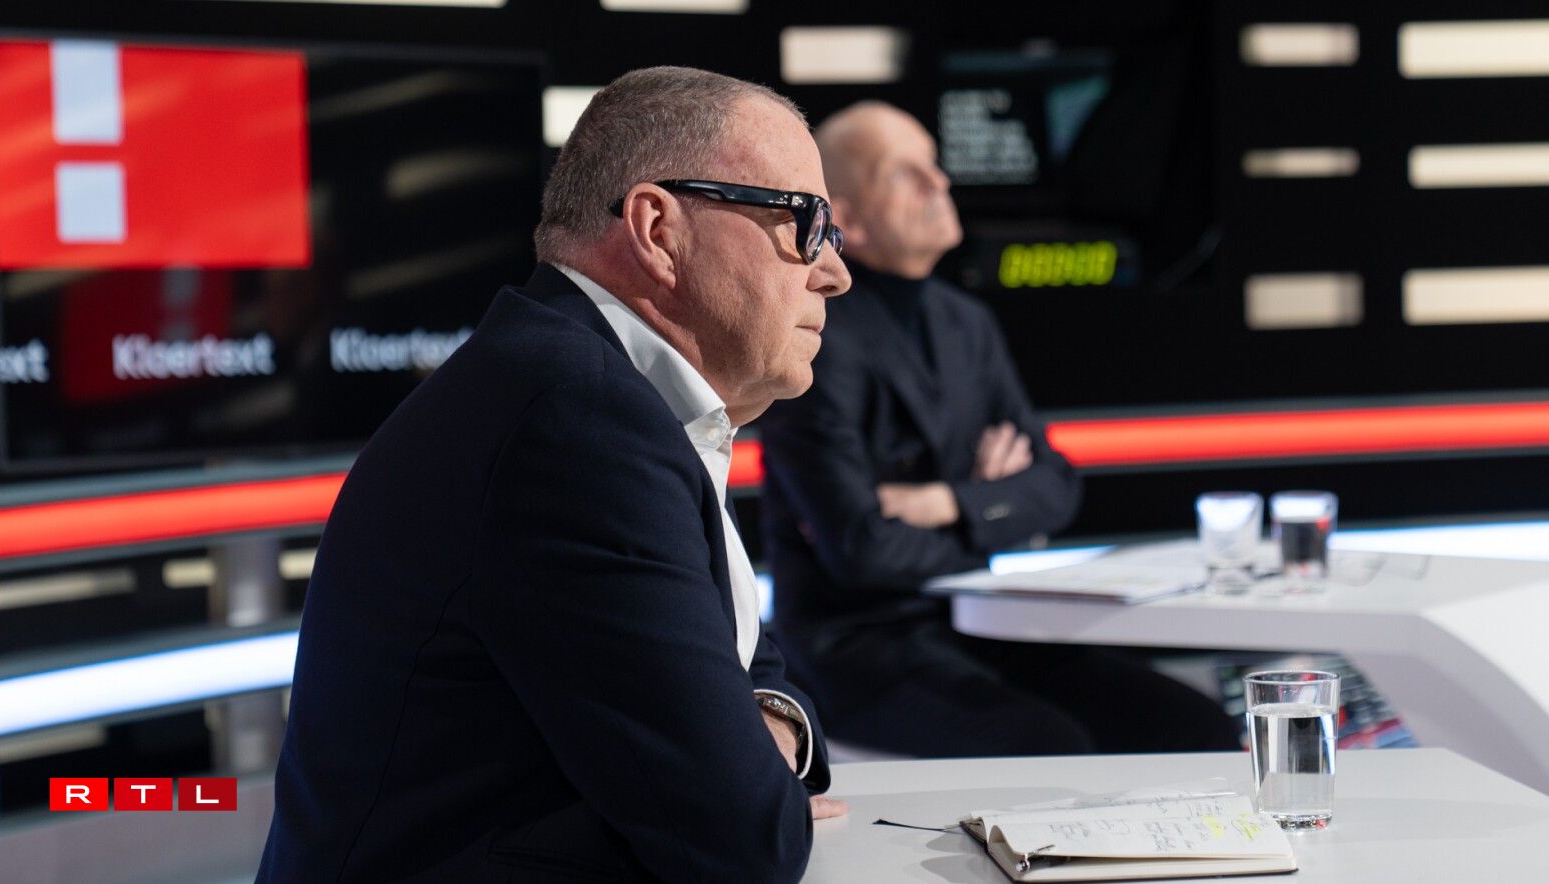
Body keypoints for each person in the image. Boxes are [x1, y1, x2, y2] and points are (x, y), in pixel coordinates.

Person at [259, 67, 852, 883]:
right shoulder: (580, 424)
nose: (833, 271)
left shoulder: (589, 389)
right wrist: (755, 749)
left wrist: (768, 723)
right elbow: (744, 839)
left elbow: (750, 663)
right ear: (658, 229)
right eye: (803, 222)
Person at [759, 101, 1237, 758]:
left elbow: (1055, 485)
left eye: (933, 164)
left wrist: (945, 502)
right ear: (849, 220)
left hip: (978, 618)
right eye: (904, 174)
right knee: (1053, 744)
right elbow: (861, 549)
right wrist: (989, 506)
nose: (939, 182)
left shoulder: (965, 323)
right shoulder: (820, 337)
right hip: (857, 646)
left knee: (1194, 724)